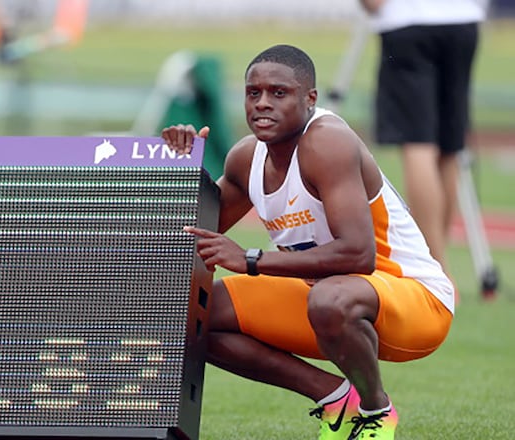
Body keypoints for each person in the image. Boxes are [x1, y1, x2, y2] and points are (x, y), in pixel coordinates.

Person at [162, 44, 454, 439]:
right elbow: (185, 238)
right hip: (326, 301)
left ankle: (375, 411)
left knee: (330, 298)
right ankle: (336, 400)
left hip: (414, 302)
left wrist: (250, 259)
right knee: (189, 315)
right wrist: (180, 168)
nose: (263, 104)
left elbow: (358, 254)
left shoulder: (327, 143)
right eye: (254, 93)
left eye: (278, 93)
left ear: (309, 98)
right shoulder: (245, 159)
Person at [360, 0, 485, 280]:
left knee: (418, 145)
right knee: (449, 147)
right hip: (463, 21)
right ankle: (439, 264)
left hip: (408, 22)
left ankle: (435, 269)